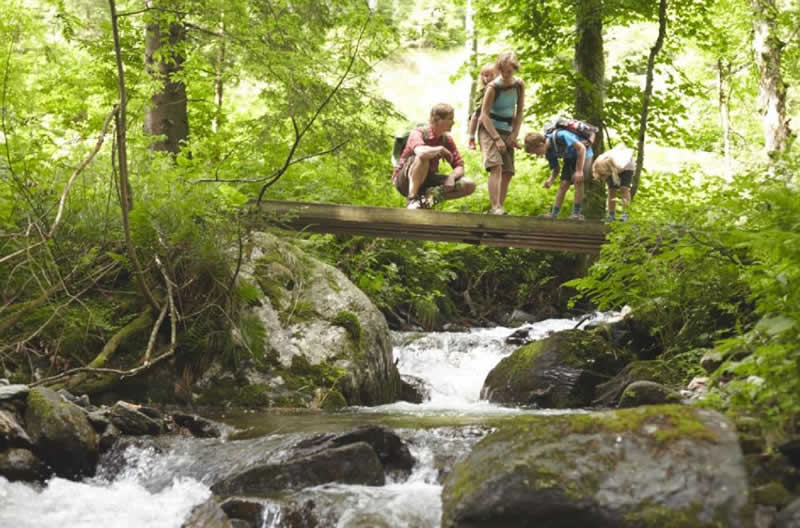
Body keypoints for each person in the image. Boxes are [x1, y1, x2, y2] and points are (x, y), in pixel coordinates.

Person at [392, 103, 476, 209]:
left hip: (428, 180)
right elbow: (421, 153)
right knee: (424, 157)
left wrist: (451, 177)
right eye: (450, 119)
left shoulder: (447, 140)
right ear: (437, 120)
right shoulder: (418, 133)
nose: (453, 122)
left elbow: (459, 166)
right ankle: (412, 199)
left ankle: (427, 201)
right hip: (404, 181)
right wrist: (440, 149)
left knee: (468, 184)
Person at [478, 52, 525, 215]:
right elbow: (484, 115)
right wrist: (497, 139)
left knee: (508, 171)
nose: (506, 75)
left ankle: (500, 207)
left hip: (507, 129)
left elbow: (519, 112)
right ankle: (495, 207)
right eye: (503, 71)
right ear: (499, 69)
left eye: (509, 71)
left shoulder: (519, 85)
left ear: (514, 69)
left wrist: (514, 134)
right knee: (496, 166)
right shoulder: (493, 87)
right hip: (489, 129)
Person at [524, 127, 594, 221]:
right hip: (569, 157)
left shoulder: (562, 135)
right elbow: (556, 168)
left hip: (584, 154)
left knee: (578, 181)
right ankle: (554, 213)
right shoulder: (548, 152)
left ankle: (576, 214)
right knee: (563, 184)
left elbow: (581, 148)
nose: (537, 155)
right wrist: (551, 180)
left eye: (536, 152)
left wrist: (579, 170)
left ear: (541, 145)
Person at [592, 144, 634, 221]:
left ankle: (626, 214)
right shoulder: (600, 162)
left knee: (624, 189)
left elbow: (620, 168)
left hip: (626, 166)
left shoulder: (621, 163)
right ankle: (611, 215)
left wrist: (615, 175)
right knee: (611, 190)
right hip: (610, 167)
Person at [468, 63, 498, 150]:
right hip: (481, 107)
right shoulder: (482, 87)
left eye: (491, 75)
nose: (488, 78)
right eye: (485, 75)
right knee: (475, 116)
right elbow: (479, 101)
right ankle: (471, 137)